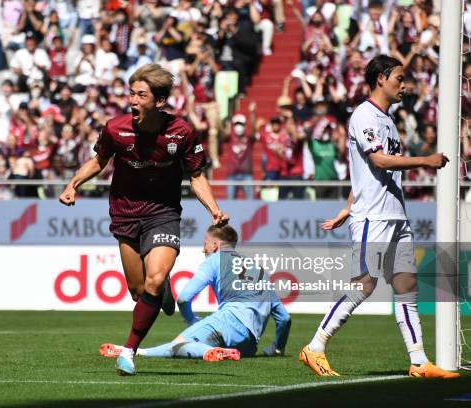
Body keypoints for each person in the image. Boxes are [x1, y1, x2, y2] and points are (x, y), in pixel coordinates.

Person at [59, 64, 228, 376]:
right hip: (125, 215)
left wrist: (213, 209)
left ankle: (129, 350)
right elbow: (99, 161)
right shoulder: (115, 129)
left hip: (163, 213)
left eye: (141, 95)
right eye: (131, 94)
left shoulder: (182, 132)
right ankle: (162, 291)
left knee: (154, 277)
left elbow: (197, 176)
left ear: (159, 101)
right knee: (140, 292)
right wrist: (73, 185)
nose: (133, 100)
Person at [299, 55, 459, 379]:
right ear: (382, 78)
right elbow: (380, 163)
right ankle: (315, 347)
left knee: (406, 285)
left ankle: (418, 362)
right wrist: (425, 160)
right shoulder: (364, 115)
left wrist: (346, 206)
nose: (405, 84)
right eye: (400, 78)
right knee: (364, 285)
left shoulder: (387, 119)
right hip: (373, 218)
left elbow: (360, 174)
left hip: (395, 215)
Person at [99, 225, 291, 361]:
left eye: (205, 243)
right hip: (249, 343)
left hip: (226, 322)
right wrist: (277, 347)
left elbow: (183, 298)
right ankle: (214, 351)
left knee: (178, 345)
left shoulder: (215, 260)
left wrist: (190, 319)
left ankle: (132, 351)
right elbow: (284, 318)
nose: (203, 249)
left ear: (215, 245)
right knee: (188, 345)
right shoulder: (259, 270)